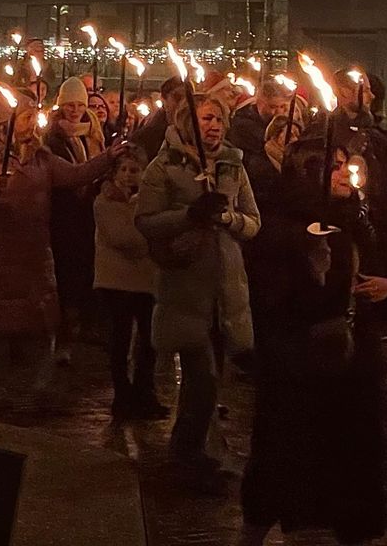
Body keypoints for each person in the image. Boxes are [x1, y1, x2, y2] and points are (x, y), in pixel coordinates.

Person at [240, 145, 387, 546]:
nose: (345, 175)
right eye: (334, 168)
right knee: (288, 454)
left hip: (355, 359)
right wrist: (306, 263)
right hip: (300, 362)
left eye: (346, 167)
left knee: (353, 456)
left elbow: (374, 265)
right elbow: (268, 293)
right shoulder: (285, 222)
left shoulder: (358, 217)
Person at [0, 93, 122, 404]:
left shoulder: (40, 156)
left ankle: (31, 401)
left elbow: (75, 175)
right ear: (7, 121)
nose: (31, 122)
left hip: (33, 257)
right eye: (24, 116)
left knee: (36, 329)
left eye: (33, 116)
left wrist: (108, 158)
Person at [135, 92, 259, 489]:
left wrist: (230, 218)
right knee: (201, 378)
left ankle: (205, 452)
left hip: (226, 286)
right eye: (207, 118)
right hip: (187, 287)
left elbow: (253, 221)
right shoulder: (164, 166)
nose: (215, 127)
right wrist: (189, 215)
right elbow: (147, 221)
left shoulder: (232, 165)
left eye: (220, 120)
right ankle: (187, 454)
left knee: (210, 380)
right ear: (190, 121)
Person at [92, 143, 167, 419]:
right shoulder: (104, 201)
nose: (127, 175)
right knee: (120, 339)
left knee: (149, 341)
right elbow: (123, 239)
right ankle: (122, 394)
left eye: (134, 170)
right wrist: (152, 236)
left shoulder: (150, 201)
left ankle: (145, 392)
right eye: (122, 169)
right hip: (115, 281)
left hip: (145, 281)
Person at [45, 76, 106, 366]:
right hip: (65, 214)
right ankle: (65, 334)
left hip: (89, 216)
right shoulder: (52, 138)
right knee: (66, 276)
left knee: (85, 272)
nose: (75, 110)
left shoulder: (92, 134)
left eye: (80, 104)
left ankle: (86, 323)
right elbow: (68, 174)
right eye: (69, 104)